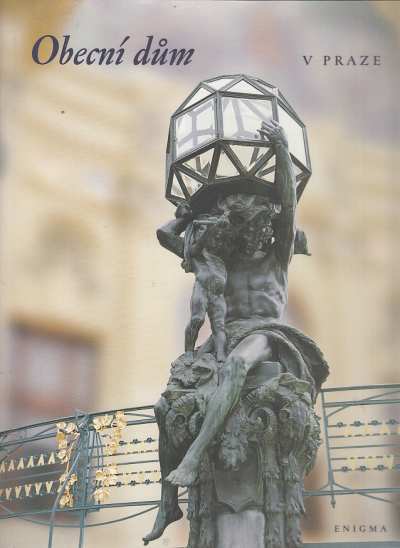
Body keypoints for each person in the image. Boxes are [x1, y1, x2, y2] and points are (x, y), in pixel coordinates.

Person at [164, 120, 328, 487]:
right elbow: (167, 237)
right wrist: (188, 216)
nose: (249, 231)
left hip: (268, 335)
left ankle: (192, 459)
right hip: (225, 337)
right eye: (242, 223)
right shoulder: (221, 261)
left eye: (255, 223)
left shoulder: (278, 257)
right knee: (170, 399)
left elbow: (289, 206)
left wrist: (282, 151)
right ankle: (168, 503)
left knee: (237, 364)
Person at [183, 213, 235, 362]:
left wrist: (223, 224)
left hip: (218, 295)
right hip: (202, 290)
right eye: (201, 230)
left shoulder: (220, 256)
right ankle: (188, 352)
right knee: (197, 319)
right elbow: (199, 244)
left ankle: (221, 356)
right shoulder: (196, 252)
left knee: (220, 327)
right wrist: (211, 228)